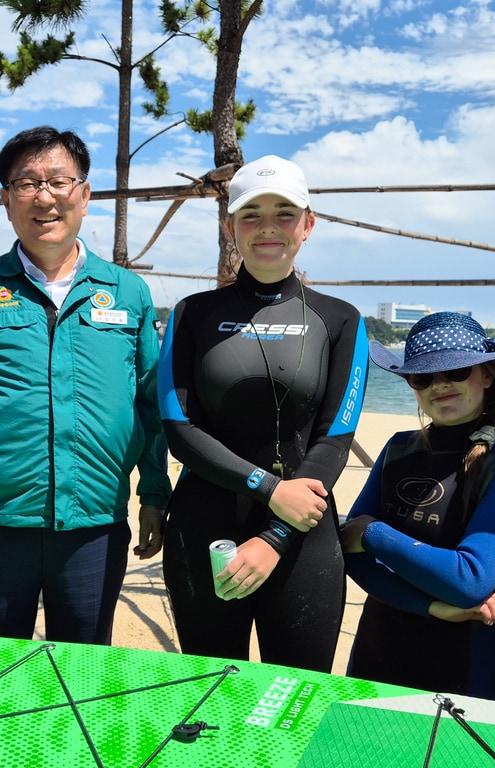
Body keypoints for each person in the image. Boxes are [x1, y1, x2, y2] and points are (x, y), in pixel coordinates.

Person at [0, 126, 169, 644]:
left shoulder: (127, 293)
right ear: (6, 200)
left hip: (94, 526)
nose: (44, 196)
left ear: (84, 196)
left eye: (58, 181)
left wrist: (154, 492)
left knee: (86, 671)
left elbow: (150, 402)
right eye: (26, 183)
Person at [157, 155, 368, 672]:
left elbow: (335, 439)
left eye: (284, 213)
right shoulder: (193, 313)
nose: (267, 228)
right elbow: (179, 429)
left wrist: (275, 536)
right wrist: (270, 488)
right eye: (251, 214)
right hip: (204, 528)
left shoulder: (340, 320)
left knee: (295, 699)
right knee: (207, 690)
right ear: (231, 228)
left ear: (308, 225)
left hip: (301, 535)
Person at [339, 312, 495, 700]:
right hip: (378, 651)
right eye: (424, 377)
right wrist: (433, 607)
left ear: (487, 375)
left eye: (456, 372)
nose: (440, 385)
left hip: (468, 664)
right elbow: (347, 557)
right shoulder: (398, 449)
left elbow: (470, 579)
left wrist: (372, 533)